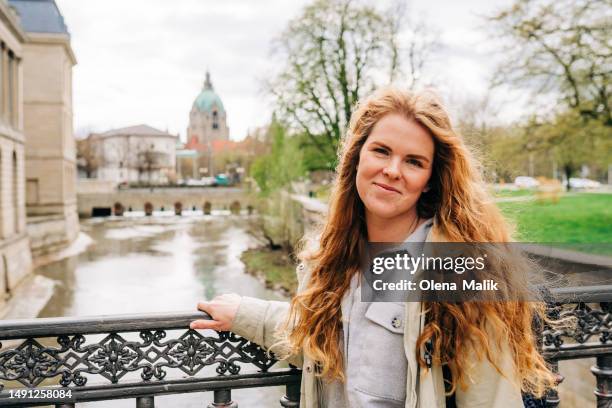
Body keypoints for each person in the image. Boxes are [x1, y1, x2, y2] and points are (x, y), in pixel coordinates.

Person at [190, 87, 557, 407]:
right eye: (381, 151)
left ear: (430, 179)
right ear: (357, 156)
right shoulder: (332, 255)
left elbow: (489, 400)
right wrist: (244, 314)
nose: (393, 170)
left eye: (414, 161)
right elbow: (321, 341)